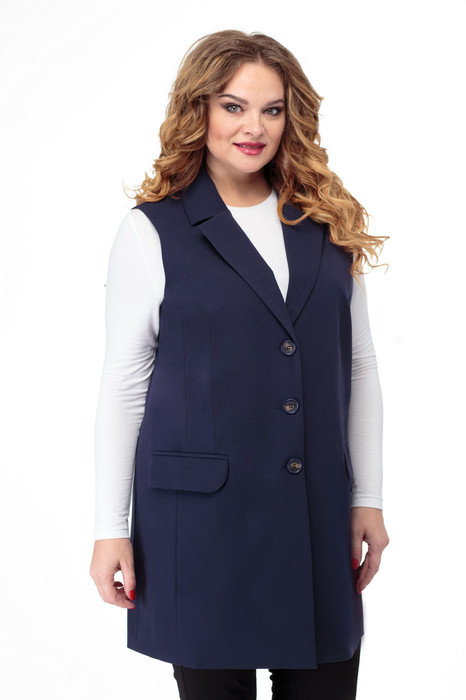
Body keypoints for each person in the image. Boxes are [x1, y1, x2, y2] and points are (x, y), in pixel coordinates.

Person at [90, 29, 390, 700]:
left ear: (291, 117)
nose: (254, 127)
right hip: (202, 525)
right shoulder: (151, 230)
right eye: (233, 106)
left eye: (271, 109)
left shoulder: (326, 223)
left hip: (315, 513)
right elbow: (125, 385)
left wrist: (366, 497)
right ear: (197, 109)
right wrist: (111, 528)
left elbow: (360, 366)